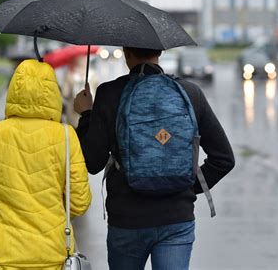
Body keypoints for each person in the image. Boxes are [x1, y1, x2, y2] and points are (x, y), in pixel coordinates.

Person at [73, 47, 235, 270]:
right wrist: (184, 185)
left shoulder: (109, 94)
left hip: (127, 219)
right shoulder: (190, 93)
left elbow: (92, 162)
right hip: (177, 219)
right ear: (160, 50)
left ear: (126, 53)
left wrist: (86, 115)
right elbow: (224, 159)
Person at [0, 59, 92, 270]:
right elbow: (79, 201)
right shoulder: (66, 136)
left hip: (2, 254)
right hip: (52, 255)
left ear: (13, 90)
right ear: (52, 92)